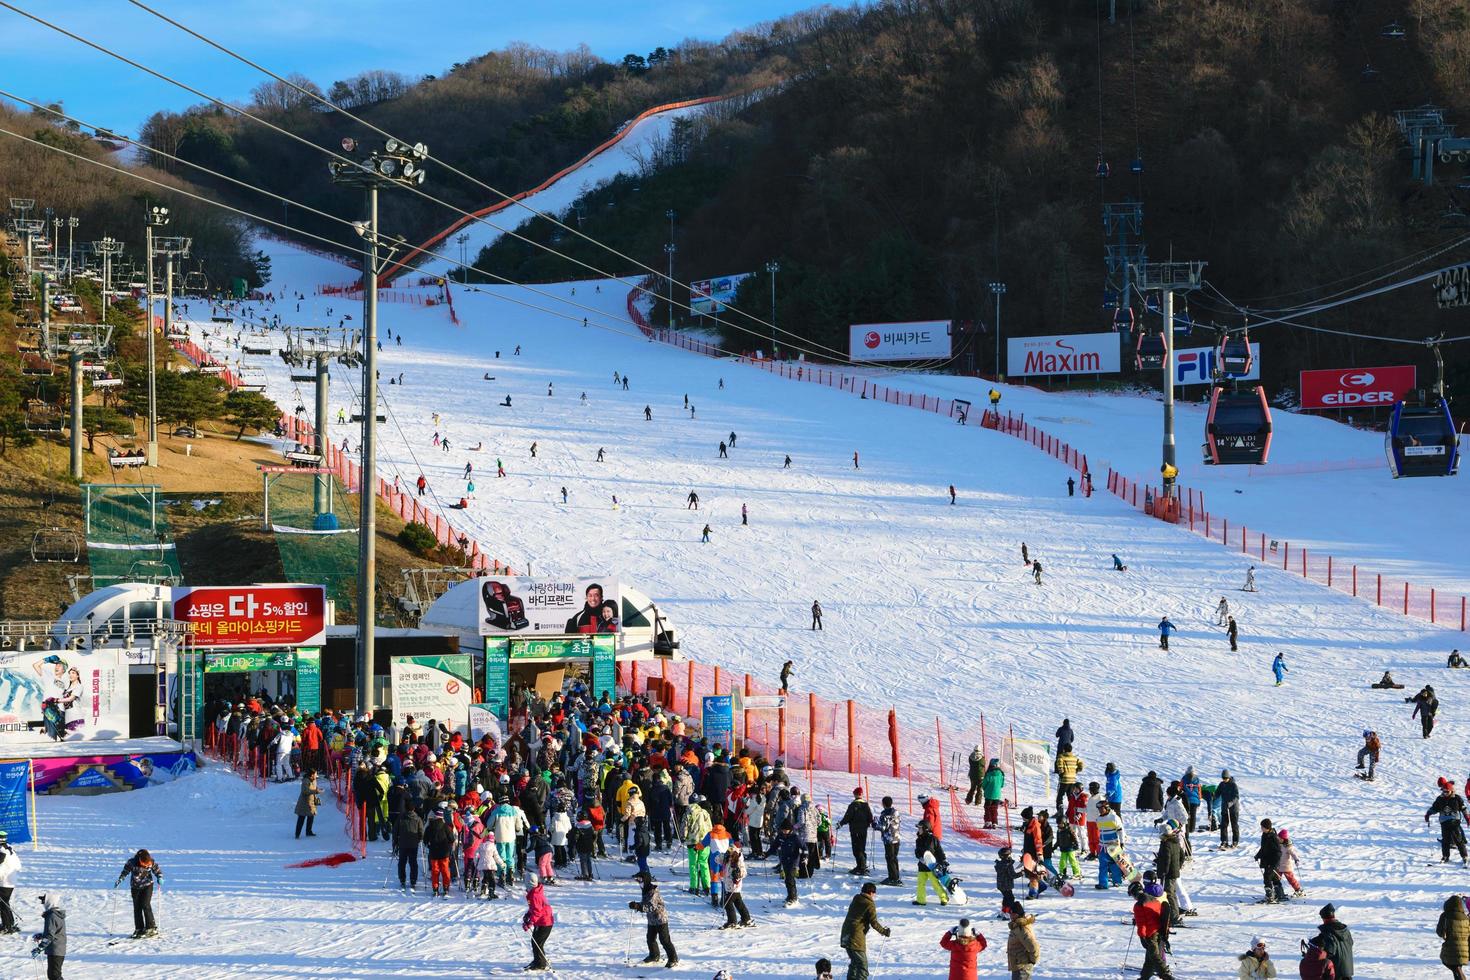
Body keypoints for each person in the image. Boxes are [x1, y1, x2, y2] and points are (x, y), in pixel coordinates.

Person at [839, 881, 890, 980]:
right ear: (871, 893)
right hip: (855, 937)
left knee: (855, 962)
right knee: (863, 965)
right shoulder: (869, 904)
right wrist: (884, 931)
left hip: (845, 933)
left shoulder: (856, 899)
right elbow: (874, 922)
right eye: (874, 893)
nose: (874, 896)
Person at [630, 874, 678, 967]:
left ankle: (673, 959)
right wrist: (636, 905)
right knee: (650, 938)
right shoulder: (646, 889)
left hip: (660, 918)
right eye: (638, 881)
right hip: (652, 919)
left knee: (664, 940)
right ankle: (654, 955)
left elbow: (651, 906)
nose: (639, 883)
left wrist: (639, 907)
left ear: (646, 880)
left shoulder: (653, 891)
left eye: (640, 880)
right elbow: (646, 903)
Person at [115, 848, 162, 938]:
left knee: (145, 904)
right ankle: (139, 929)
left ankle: (151, 928)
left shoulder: (151, 861)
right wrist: (120, 879)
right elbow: (125, 871)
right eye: (144, 863)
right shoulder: (132, 863)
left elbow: (157, 870)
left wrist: (159, 877)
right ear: (140, 859)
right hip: (135, 887)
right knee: (137, 907)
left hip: (147, 886)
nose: (145, 865)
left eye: (147, 864)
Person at [1132, 881, 1174, 979]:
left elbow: (1142, 924)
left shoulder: (1139, 905)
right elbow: (1156, 915)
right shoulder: (1154, 900)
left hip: (1150, 935)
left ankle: (1166, 975)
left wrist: (1142, 937)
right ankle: (1144, 978)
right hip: (1159, 931)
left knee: (1155, 957)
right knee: (1150, 960)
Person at [1426, 782, 1470, 865]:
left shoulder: (1457, 798)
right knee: (1445, 840)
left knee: (1458, 839)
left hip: (1454, 821)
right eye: (1444, 791)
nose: (1445, 793)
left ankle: (1464, 856)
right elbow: (1434, 808)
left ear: (1451, 791)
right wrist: (1428, 813)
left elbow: (1463, 808)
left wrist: (1467, 817)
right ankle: (1445, 856)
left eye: (1447, 791)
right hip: (1444, 821)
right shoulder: (1440, 799)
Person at [836, 787, 874, 876]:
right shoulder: (866, 805)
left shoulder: (853, 805)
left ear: (855, 794)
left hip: (855, 830)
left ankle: (861, 867)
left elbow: (848, 817)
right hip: (863, 830)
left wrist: (841, 824)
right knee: (861, 847)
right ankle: (861, 865)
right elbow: (870, 817)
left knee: (857, 849)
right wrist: (870, 823)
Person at [522, 873, 554, 971]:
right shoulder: (534, 892)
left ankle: (541, 963)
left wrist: (530, 923)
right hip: (542, 922)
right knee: (535, 942)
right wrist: (528, 915)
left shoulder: (535, 895)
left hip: (545, 923)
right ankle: (538, 960)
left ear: (529, 883)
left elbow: (537, 912)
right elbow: (534, 908)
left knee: (537, 943)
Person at [914, 820, 948, 906]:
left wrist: (943, 860)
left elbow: (939, 851)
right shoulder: (918, 840)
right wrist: (920, 857)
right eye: (918, 828)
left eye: (920, 828)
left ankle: (944, 898)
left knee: (935, 883)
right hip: (922, 866)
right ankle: (921, 900)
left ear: (925, 829)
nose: (918, 830)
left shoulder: (933, 839)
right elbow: (917, 851)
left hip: (932, 866)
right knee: (920, 884)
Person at [1253, 818, 1287, 903]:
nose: (1261, 829)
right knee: (1275, 878)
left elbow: (1278, 852)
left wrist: (1275, 863)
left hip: (1272, 862)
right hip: (1267, 861)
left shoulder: (1273, 837)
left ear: (1266, 827)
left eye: (1262, 827)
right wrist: (1258, 855)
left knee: (1267, 877)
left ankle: (1270, 896)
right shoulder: (1265, 835)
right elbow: (1264, 848)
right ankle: (1280, 894)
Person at [1317, 904, 1354, 980]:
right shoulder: (1345, 930)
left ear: (1324, 919)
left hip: (1336, 972)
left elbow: (1329, 952)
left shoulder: (1327, 932)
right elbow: (1351, 943)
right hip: (1347, 971)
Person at [34, 893, 64, 980]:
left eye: (44, 901)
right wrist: (42, 936)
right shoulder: (56, 914)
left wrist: (40, 948)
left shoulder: (52, 916)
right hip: (57, 949)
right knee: (53, 975)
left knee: (54, 975)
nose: (42, 903)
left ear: (50, 902)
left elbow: (50, 936)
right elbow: (53, 932)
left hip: (55, 949)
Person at [1437, 895, 1469, 979]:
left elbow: (1440, 932)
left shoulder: (1445, 915)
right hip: (1464, 947)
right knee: (1457, 967)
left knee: (1452, 965)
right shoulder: (1465, 918)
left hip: (1451, 946)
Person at [1006, 902, 1039, 980]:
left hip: (1022, 967)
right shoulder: (1017, 927)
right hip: (1018, 966)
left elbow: (1034, 946)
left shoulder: (1021, 929)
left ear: (1016, 915)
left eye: (1011, 913)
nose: (1010, 916)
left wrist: (1032, 961)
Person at [395, 804, 424, 890]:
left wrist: (395, 842)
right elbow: (421, 831)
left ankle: (402, 879)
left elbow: (395, 831)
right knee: (413, 863)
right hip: (413, 844)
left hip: (403, 844)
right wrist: (419, 839)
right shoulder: (418, 819)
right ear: (414, 809)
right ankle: (413, 880)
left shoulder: (400, 818)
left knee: (402, 862)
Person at [776, 820, 802, 906]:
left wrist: (805, 857)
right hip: (784, 859)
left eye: (785, 830)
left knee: (790, 878)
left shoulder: (795, 837)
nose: (784, 831)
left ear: (790, 829)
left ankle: (793, 897)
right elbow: (774, 846)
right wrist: (766, 854)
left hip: (793, 860)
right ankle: (790, 895)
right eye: (783, 830)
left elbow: (804, 847)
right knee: (787, 879)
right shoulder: (781, 836)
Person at [0, 829, 21, 934]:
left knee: (2, 904)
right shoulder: (8, 848)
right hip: (10, 880)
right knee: (5, 903)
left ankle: (6, 927)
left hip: (5, 882)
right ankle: (9, 923)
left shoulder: (1, 851)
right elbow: (18, 865)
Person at [878, 796, 902, 885]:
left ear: (883, 804)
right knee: (894, 858)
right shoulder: (896, 812)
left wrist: (874, 825)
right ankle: (896, 876)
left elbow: (883, 827)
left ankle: (893, 878)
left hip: (889, 839)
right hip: (896, 838)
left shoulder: (885, 815)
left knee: (890, 858)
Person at [1216, 769, 1240, 847]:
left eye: (1226, 778)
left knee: (1234, 825)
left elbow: (1236, 797)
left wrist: (1230, 803)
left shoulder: (1233, 785)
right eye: (1223, 778)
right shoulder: (1222, 784)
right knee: (1223, 825)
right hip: (1224, 807)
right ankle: (1224, 841)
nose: (1224, 780)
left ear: (1229, 777)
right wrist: (1214, 796)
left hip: (1233, 808)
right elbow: (1217, 793)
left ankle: (1235, 841)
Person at [294, 770, 320, 838]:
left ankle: (309, 831)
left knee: (311, 816)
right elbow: (305, 791)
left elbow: (314, 789)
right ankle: (297, 834)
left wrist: (316, 794)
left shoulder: (314, 781)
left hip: (311, 802)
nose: (316, 775)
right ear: (312, 774)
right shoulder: (305, 781)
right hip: (304, 803)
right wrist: (316, 791)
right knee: (301, 818)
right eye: (315, 774)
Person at [982, 759, 1005, 829]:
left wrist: (985, 789)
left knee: (987, 808)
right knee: (994, 809)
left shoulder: (989, 773)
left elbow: (984, 784)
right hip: (997, 795)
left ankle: (988, 822)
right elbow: (1002, 785)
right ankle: (994, 822)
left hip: (989, 794)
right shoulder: (1001, 774)